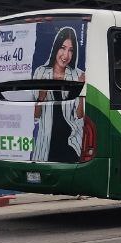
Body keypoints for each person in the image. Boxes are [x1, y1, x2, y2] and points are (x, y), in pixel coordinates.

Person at [31, 27, 85, 162]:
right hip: (46, 143)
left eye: (71, 50)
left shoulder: (78, 75)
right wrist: (41, 97)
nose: (66, 55)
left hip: (71, 143)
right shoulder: (41, 72)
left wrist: (81, 92)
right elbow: (36, 116)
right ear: (56, 47)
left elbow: (80, 116)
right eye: (63, 47)